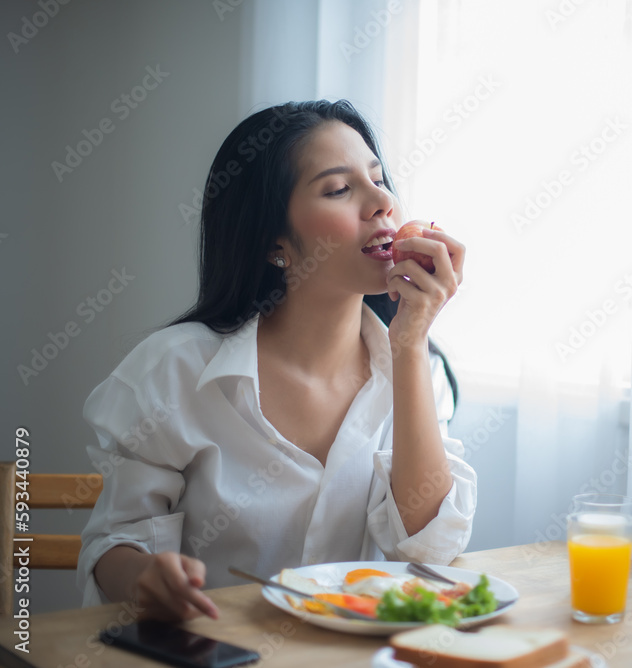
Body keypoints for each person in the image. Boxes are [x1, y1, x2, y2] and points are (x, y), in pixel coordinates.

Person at [76, 100, 475, 621]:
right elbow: (113, 544)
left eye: (379, 179)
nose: (382, 201)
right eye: (339, 188)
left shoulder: (414, 368)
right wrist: (145, 580)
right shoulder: (175, 370)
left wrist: (412, 342)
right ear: (274, 243)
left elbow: (427, 551)